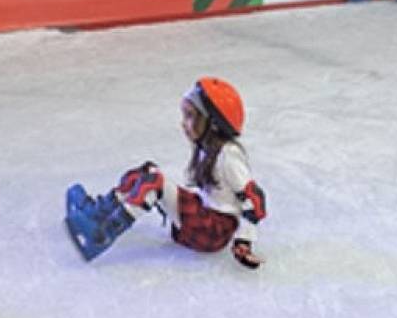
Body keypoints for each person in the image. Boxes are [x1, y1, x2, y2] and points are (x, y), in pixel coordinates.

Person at [65, 77, 268, 269]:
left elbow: (254, 199)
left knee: (154, 182)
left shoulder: (228, 156)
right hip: (205, 217)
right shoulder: (208, 149)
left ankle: (101, 237)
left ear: (213, 124)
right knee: (147, 172)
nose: (183, 123)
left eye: (190, 116)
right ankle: (97, 214)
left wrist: (244, 241)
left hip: (213, 230)